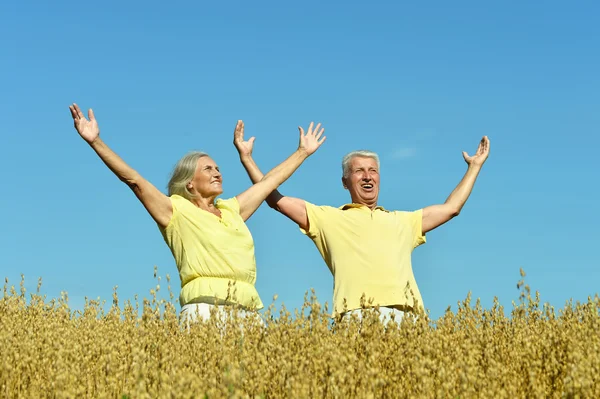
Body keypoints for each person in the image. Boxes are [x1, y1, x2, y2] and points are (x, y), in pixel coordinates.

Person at [68, 103, 326, 325]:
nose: (217, 173)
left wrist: (302, 152)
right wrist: (95, 141)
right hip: (203, 310)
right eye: (208, 169)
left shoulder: (231, 210)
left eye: (218, 168)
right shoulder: (176, 211)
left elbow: (267, 184)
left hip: (249, 313)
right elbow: (134, 180)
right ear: (190, 182)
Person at [236, 131, 490, 324]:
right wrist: (248, 158)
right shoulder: (328, 218)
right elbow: (274, 199)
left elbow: (451, 208)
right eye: (359, 171)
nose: (368, 176)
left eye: (373, 171)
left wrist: (475, 167)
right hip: (355, 318)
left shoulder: (404, 220)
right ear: (345, 182)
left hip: (408, 318)